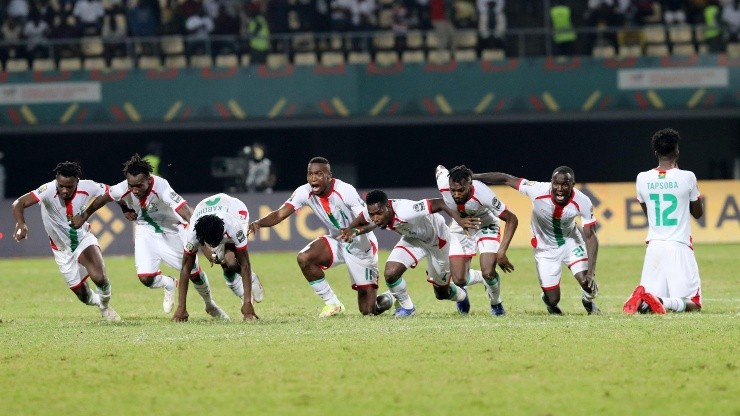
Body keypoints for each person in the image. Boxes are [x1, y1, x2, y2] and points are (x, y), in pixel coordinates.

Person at [72, 154, 263, 317]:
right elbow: (105, 198)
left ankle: (210, 304)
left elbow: (187, 212)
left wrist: (204, 245)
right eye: (131, 185)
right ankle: (169, 284)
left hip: (174, 228)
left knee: (194, 273)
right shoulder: (124, 188)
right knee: (146, 278)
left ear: (149, 178)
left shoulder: (162, 187)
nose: (134, 190)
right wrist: (87, 215)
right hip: (146, 229)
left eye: (139, 185)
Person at [248, 156, 391, 317]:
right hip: (337, 240)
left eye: (318, 174)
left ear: (329, 176)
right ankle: (333, 304)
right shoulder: (304, 192)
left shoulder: (345, 191)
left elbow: (372, 220)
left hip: (361, 245)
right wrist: (259, 223)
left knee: (368, 311)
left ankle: (389, 298)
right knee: (304, 258)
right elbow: (280, 213)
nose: (313, 178)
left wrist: (354, 231)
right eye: (310, 174)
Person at [472, 166, 600, 315]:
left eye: (565, 184)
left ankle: (587, 301)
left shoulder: (583, 201)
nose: (559, 189)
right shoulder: (537, 189)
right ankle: (549, 302)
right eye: (556, 184)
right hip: (544, 248)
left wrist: (591, 272)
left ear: (572, 185)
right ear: (551, 182)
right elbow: (506, 178)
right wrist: (474, 177)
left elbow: (591, 237)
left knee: (587, 283)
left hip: (570, 242)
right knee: (552, 299)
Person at [339, 190, 479, 317]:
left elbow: (440, 203)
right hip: (414, 240)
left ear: (387, 206)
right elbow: (362, 218)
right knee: (391, 273)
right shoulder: (374, 211)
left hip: (438, 242)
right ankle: (407, 308)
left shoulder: (406, 210)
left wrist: (460, 221)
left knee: (442, 293)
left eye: (379, 214)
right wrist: (350, 229)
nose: (375, 218)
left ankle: (462, 294)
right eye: (372, 215)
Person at [11, 161, 120, 322]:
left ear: (77, 180)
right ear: (56, 179)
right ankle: (98, 302)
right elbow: (18, 203)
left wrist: (126, 207)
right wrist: (21, 223)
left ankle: (105, 306)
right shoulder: (47, 190)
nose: (64, 190)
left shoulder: (88, 186)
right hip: (61, 250)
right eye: (61, 185)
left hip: (83, 239)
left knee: (99, 277)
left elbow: (113, 192)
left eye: (69, 186)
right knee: (84, 296)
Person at [623, 128, 703, 314]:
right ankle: (662, 302)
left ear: (656, 153)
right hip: (679, 247)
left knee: (650, 299)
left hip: (655, 248)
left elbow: (648, 212)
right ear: (677, 151)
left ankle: (641, 301)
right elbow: (698, 213)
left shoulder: (642, 178)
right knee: (693, 303)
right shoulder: (687, 177)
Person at [436, 165, 519, 316]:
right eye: (453, 190)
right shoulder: (444, 183)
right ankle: (469, 288)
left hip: (486, 224)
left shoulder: (483, 194)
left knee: (489, 272)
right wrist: (460, 220)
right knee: (459, 280)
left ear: (470, 184)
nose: (456, 194)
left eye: (460, 190)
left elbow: (512, 218)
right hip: (460, 225)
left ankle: (496, 303)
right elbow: (439, 168)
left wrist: (501, 251)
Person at [173, 193, 263, 322]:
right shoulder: (193, 233)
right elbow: (185, 268)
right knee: (220, 260)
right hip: (205, 212)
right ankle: (239, 283)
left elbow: (245, 264)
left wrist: (248, 303)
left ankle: (250, 283)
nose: (213, 246)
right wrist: (181, 307)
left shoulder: (234, 227)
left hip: (236, 210)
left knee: (231, 263)